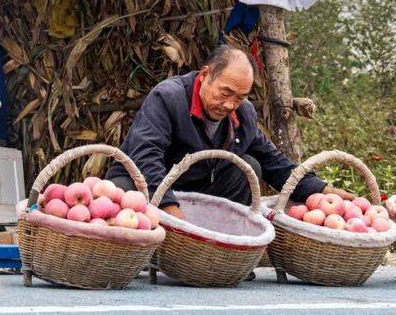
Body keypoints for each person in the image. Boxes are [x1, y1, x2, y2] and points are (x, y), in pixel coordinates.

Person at [106, 44, 351, 220]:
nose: (230, 104)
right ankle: (154, 253)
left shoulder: (243, 114)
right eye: (225, 93)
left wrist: (319, 189)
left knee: (250, 166)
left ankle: (222, 249)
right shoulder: (168, 98)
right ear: (205, 76)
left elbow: (273, 162)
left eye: (241, 97)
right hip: (149, 188)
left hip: (201, 192)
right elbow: (146, 156)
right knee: (120, 189)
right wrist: (169, 209)